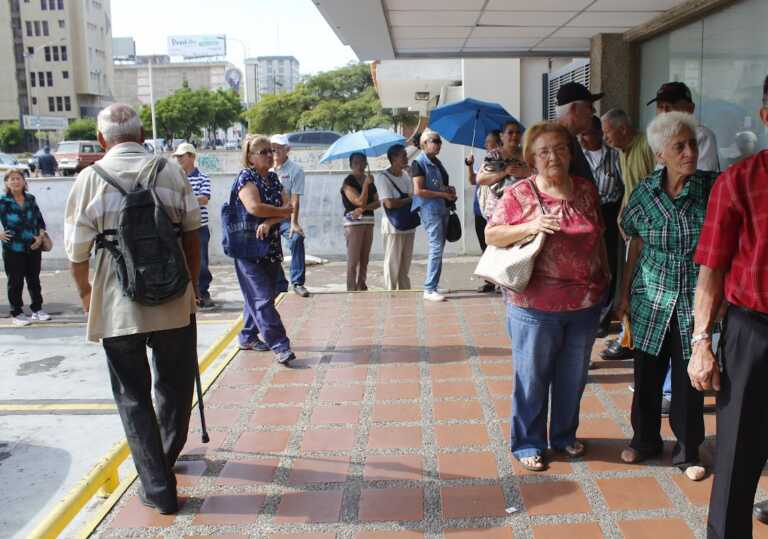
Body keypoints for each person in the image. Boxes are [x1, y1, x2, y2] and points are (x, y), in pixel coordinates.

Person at [64, 103, 201, 515]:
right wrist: (190, 286)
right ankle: (162, 459)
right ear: (142, 136)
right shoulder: (170, 170)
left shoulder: (89, 178)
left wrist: (88, 295)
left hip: (116, 302)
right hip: (173, 297)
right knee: (175, 387)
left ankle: (158, 487)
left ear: (102, 139)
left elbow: (76, 251)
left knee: (132, 395)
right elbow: (193, 233)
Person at [485, 121, 609, 471]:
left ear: (570, 154)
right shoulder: (519, 193)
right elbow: (493, 234)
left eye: (559, 149)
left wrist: (604, 275)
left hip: (585, 304)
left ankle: (565, 436)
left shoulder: (585, 189)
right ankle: (528, 442)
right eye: (543, 151)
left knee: (573, 377)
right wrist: (531, 225)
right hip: (534, 307)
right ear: (532, 159)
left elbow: (597, 233)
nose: (552, 156)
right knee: (532, 377)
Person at [615, 111, 715, 483]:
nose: (690, 152)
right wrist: (623, 295)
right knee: (646, 375)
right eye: (680, 146)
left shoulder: (712, 188)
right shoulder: (644, 192)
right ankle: (644, 441)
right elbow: (633, 241)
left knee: (691, 381)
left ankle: (688, 451)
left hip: (694, 298)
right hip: (650, 298)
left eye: (692, 144)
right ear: (660, 155)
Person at [687, 75, 768, 538]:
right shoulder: (739, 181)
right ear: (765, 116)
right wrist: (701, 342)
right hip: (752, 333)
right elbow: (711, 269)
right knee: (737, 454)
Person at [231, 135, 296, 364]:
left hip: (269, 247)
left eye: (271, 151)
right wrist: (277, 213)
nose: (270, 155)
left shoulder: (273, 179)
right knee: (262, 298)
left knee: (266, 294)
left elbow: (288, 208)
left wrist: (270, 222)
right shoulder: (246, 177)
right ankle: (280, 345)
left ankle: (247, 335)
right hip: (248, 249)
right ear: (250, 157)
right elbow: (254, 207)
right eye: (263, 152)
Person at [600, 108, 658, 362]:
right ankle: (629, 337)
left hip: (648, 231)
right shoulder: (622, 152)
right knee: (628, 285)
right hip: (631, 229)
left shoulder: (646, 146)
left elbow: (656, 186)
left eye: (607, 132)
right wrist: (621, 214)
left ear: (622, 128)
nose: (605, 139)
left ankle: (634, 339)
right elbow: (629, 188)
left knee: (640, 287)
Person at [579, 115, 623, 337]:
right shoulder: (578, 156)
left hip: (610, 214)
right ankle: (589, 311)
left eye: (586, 133)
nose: (582, 138)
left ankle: (603, 320)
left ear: (598, 133)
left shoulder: (615, 155)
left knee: (610, 268)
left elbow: (624, 186)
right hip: (587, 217)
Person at [411, 128, 457, 302]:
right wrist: (443, 194)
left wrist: (448, 190)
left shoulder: (436, 162)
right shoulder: (419, 163)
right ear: (424, 144)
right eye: (434, 141)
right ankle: (429, 288)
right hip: (430, 210)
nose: (439, 144)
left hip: (442, 207)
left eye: (439, 141)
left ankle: (434, 284)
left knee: (439, 247)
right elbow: (419, 190)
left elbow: (438, 185)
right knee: (436, 247)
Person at [0, 170, 50, 326]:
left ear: (24, 181)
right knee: (15, 281)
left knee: (34, 279)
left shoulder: (30, 199)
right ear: (7, 183)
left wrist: (40, 236)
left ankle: (37, 309)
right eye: (12, 179)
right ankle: (17, 313)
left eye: (18, 178)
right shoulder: (2, 201)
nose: (16, 181)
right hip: (12, 247)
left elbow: (40, 221)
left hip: (33, 246)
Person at [173, 142, 215, 310]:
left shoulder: (203, 178)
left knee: (202, 262)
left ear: (191, 157)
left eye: (181, 156)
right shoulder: (175, 178)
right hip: (180, 228)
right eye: (177, 157)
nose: (178, 159)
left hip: (199, 228)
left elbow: (204, 199)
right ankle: (188, 295)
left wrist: (184, 199)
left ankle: (203, 293)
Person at [476, 121, 531, 246]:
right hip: (499, 208)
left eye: (518, 132)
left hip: (525, 207)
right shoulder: (494, 155)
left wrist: (526, 172)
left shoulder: (527, 154)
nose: (514, 136)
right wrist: (505, 172)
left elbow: (540, 174)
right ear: (501, 136)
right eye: (510, 132)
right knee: (500, 246)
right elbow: (481, 179)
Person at [647, 81, 720, 172]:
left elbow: (700, 181)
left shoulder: (701, 135)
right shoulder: (661, 136)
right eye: (660, 106)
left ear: (690, 108)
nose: (664, 112)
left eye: (670, 106)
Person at [271, 134, 310, 298]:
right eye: (273, 147)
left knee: (296, 238)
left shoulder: (295, 170)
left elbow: (295, 198)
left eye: (280, 147)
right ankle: (279, 283)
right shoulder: (266, 167)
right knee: (267, 248)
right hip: (267, 217)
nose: (276, 151)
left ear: (288, 149)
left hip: (285, 218)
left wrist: (294, 222)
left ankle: (298, 282)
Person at [375, 144, 415, 290]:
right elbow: (389, 203)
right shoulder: (383, 178)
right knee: (392, 262)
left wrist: (411, 177)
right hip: (393, 226)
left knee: (405, 263)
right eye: (402, 156)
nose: (406, 158)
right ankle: (390, 291)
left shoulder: (405, 175)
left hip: (408, 224)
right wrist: (408, 200)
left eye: (406, 155)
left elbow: (413, 194)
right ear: (393, 158)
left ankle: (404, 291)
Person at [466, 129, 502, 293]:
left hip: (493, 211)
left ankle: (501, 281)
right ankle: (490, 281)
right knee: (484, 246)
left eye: (489, 142)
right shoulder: (485, 161)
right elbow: (474, 180)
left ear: (497, 142)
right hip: (479, 209)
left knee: (497, 246)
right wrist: (470, 166)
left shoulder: (499, 160)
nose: (486, 145)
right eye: (486, 142)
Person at [340, 152, 380, 292]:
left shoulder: (369, 180)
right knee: (353, 259)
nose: (360, 165)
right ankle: (351, 288)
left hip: (368, 221)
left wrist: (363, 209)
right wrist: (365, 186)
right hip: (353, 224)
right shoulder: (348, 182)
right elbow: (358, 201)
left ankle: (362, 285)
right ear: (351, 165)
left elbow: (377, 203)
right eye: (356, 163)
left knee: (365, 258)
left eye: (363, 162)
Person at [555, 81, 603, 183]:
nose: (594, 111)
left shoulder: (568, 139)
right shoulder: (557, 145)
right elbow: (558, 195)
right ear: (574, 109)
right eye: (589, 106)